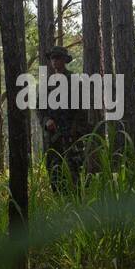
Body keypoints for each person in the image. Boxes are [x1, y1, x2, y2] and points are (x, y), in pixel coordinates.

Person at [37, 45, 92, 194]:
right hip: (53, 136)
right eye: (52, 58)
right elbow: (40, 109)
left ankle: (76, 202)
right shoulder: (46, 83)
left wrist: (75, 130)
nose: (55, 61)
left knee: (74, 170)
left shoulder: (74, 80)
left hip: (72, 135)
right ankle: (60, 202)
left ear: (64, 60)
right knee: (54, 171)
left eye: (58, 58)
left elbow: (82, 109)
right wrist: (46, 120)